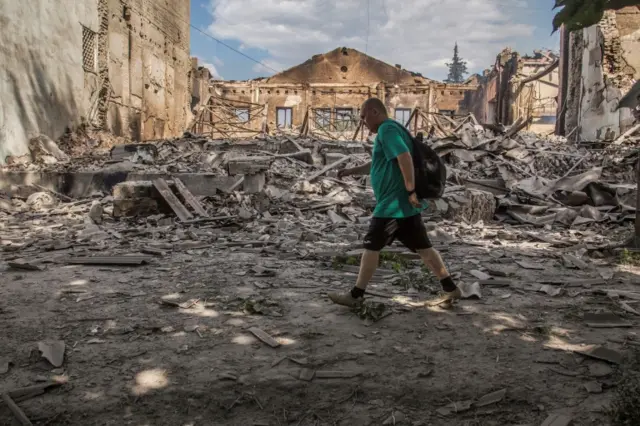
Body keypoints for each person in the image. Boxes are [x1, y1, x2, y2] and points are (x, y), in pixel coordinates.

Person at [329, 98, 461, 308]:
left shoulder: (386, 129)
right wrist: (351, 171)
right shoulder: (394, 130)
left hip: (393, 205)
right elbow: (378, 162)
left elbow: (404, 156)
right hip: (402, 208)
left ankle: (356, 295)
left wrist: (410, 190)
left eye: (363, 116)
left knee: (371, 246)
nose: (362, 121)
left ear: (374, 112)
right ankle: (451, 288)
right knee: (424, 249)